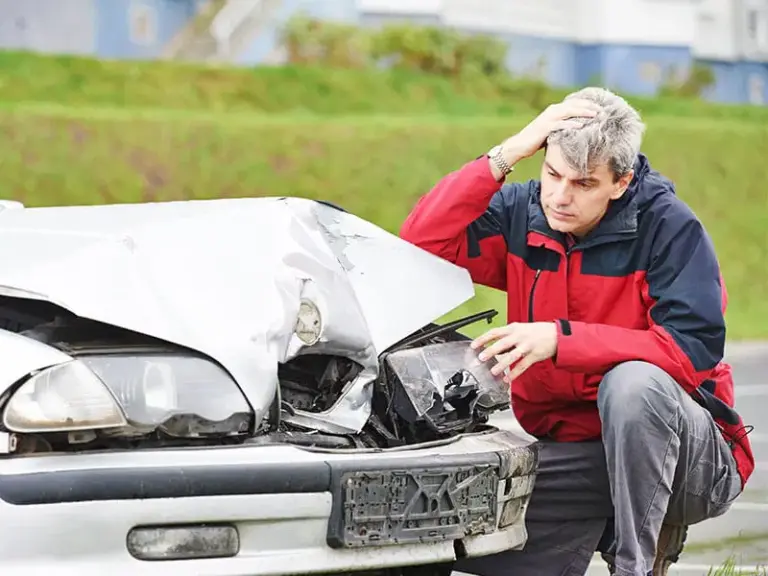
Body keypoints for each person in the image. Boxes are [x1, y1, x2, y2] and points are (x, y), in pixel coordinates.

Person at [399, 87, 755, 576]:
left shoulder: (670, 228)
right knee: (447, 518)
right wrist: (509, 152)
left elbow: (689, 353)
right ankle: (588, 533)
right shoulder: (524, 212)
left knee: (634, 385)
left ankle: (634, 565)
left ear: (620, 181)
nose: (561, 197)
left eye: (583, 184)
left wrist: (559, 340)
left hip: (690, 465)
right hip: (576, 459)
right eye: (552, 174)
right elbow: (421, 243)